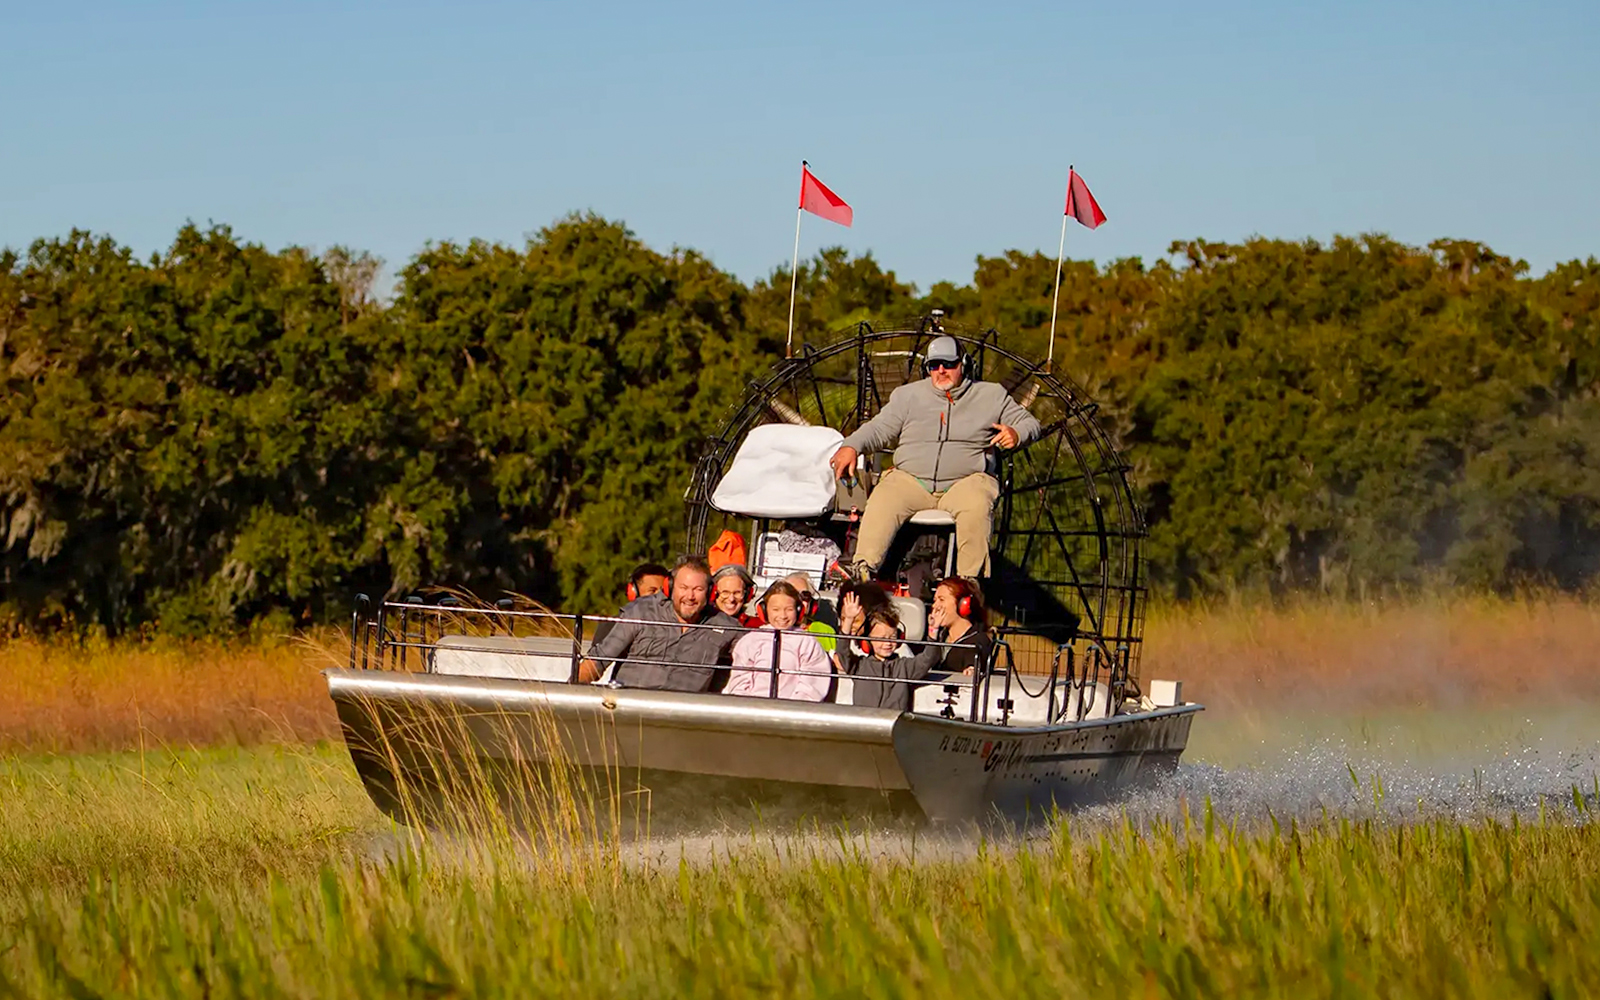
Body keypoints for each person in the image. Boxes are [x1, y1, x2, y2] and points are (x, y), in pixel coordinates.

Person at [829, 334, 1042, 579]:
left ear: (963, 364)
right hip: (911, 480)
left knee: (977, 504)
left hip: (965, 481)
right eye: (934, 365)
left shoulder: (992, 395)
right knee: (883, 498)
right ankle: (862, 569)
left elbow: (1030, 424)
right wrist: (851, 446)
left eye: (949, 364)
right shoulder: (906, 396)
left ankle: (968, 583)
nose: (941, 370)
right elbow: (879, 428)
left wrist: (1017, 433)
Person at [576, 557, 739, 692]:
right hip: (628, 710)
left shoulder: (727, 628)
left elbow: (758, 654)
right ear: (670, 588)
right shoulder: (641, 612)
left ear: (710, 592)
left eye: (698, 589)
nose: (690, 596)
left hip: (685, 721)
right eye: (683, 588)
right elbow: (598, 660)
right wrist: (568, 694)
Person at [722, 582, 831, 702]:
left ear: (799, 610)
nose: (782, 615)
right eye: (776, 609)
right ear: (763, 610)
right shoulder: (750, 641)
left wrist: (791, 708)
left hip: (791, 713)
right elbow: (739, 681)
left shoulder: (807, 642)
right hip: (753, 711)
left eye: (789, 609)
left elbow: (812, 685)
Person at [836, 601, 943, 712]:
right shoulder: (859, 666)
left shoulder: (904, 667)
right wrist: (848, 621)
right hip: (866, 725)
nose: (888, 643)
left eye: (892, 637)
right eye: (881, 638)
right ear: (868, 640)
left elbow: (928, 659)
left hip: (895, 725)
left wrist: (933, 632)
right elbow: (842, 652)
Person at [589, 562, 671, 650]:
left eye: (664, 592)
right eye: (652, 591)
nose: (660, 597)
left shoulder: (675, 627)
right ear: (633, 592)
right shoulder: (611, 626)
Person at [930, 576, 992, 678]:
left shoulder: (977, 641)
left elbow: (974, 661)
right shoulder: (940, 636)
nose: (935, 606)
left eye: (941, 600)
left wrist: (971, 669)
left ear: (963, 604)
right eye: (935, 600)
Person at [782, 571, 838, 653]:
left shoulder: (826, 632)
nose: (798, 601)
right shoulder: (771, 631)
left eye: (804, 595)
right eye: (792, 595)